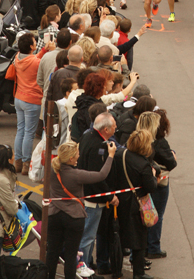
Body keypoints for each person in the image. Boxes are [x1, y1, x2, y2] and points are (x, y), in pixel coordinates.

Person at [46, 137, 116, 279]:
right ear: (71, 159)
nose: (79, 155)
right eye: (77, 153)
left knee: (52, 253)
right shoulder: (76, 175)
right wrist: (111, 155)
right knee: (71, 257)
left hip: (54, 215)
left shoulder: (53, 169)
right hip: (73, 218)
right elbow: (102, 175)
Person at [76, 111, 120, 277]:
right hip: (93, 200)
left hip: (84, 195)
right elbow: (98, 176)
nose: (116, 128)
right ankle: (84, 269)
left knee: (87, 236)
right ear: (107, 129)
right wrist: (110, 196)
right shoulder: (100, 146)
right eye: (114, 126)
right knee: (88, 237)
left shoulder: (87, 137)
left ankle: (85, 266)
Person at [114, 129, 159, 279]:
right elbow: (150, 187)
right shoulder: (143, 164)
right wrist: (153, 176)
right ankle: (138, 273)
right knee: (138, 238)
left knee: (117, 238)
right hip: (136, 204)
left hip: (118, 201)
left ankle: (116, 271)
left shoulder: (120, 154)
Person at [10, 31, 54, 174]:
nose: (36, 42)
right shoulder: (36, 62)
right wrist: (49, 52)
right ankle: (25, 163)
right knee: (29, 133)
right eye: (35, 42)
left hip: (19, 98)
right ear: (30, 46)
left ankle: (17, 162)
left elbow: (34, 59)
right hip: (32, 100)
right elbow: (38, 62)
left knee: (21, 130)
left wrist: (43, 50)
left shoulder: (18, 58)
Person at [136, 109, 176, 260]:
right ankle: (153, 247)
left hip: (141, 182)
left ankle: (144, 246)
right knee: (156, 214)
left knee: (143, 212)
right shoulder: (159, 142)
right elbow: (171, 163)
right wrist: (172, 154)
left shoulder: (137, 139)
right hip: (158, 182)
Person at [0, 144, 20, 260]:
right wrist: (13, 204)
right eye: (13, 155)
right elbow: (12, 209)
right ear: (8, 160)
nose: (15, 157)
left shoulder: (5, 176)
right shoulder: (2, 180)